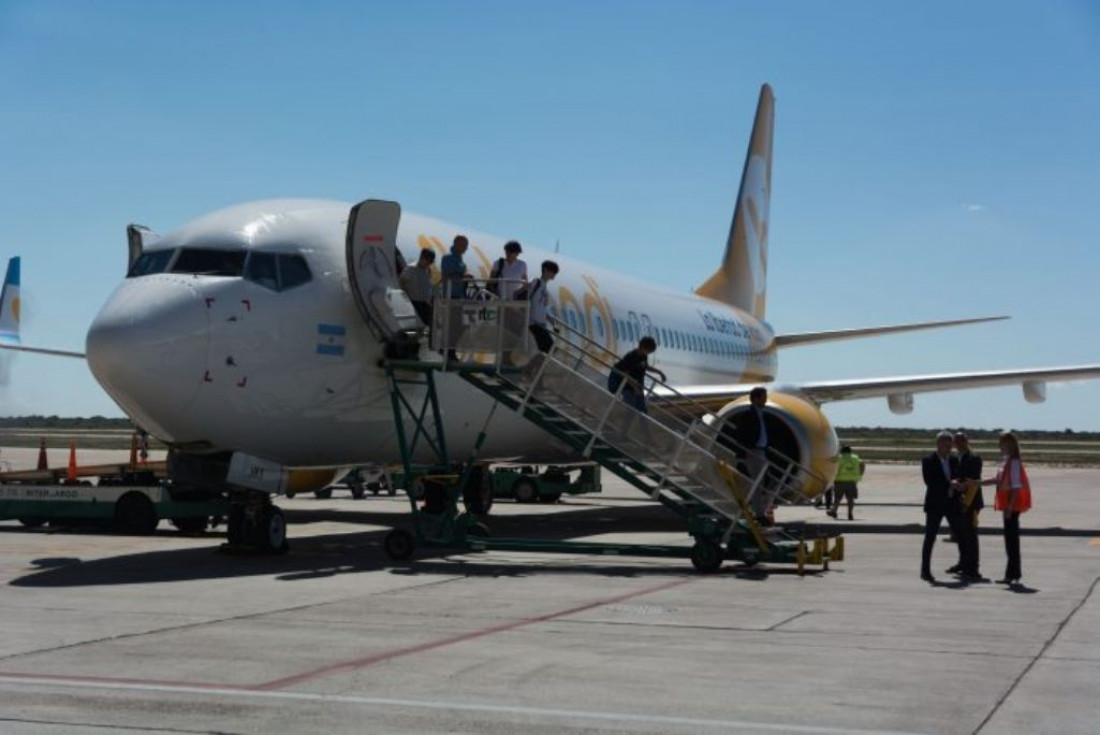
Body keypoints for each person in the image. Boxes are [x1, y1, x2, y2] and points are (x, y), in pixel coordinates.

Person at [978, 431, 1031, 585]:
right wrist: (977, 483)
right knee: (1010, 541)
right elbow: (998, 480)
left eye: (1002, 442)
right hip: (1008, 505)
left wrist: (1009, 507)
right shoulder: (1006, 460)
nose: (1000, 445)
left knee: (1011, 541)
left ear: (1009, 444)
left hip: (1011, 506)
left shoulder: (1013, 462)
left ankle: (1012, 574)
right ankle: (1013, 573)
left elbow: (1015, 486)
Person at [920, 431, 971, 583]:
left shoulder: (954, 459)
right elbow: (930, 481)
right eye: (945, 444)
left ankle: (964, 566)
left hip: (952, 503)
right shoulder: (928, 460)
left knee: (961, 535)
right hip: (935, 504)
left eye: (950, 444)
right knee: (930, 538)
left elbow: (959, 476)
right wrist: (950, 484)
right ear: (938, 444)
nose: (949, 447)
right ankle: (925, 570)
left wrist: (961, 485)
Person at [731, 387, 772, 524]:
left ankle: (759, 510)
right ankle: (758, 513)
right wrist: (744, 450)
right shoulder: (748, 414)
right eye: (764, 397)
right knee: (755, 483)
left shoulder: (762, 413)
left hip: (761, 451)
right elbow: (740, 434)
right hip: (753, 451)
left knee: (761, 483)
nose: (766, 400)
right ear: (756, 398)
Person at [948, 431, 984, 579]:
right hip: (958, 501)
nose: (957, 444)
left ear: (966, 441)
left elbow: (973, 482)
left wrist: (966, 502)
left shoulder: (974, 458)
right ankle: (963, 563)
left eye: (960, 441)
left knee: (971, 535)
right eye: (956, 441)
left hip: (971, 501)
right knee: (961, 535)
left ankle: (973, 568)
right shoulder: (956, 457)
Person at [608, 336, 667, 414]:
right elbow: (625, 373)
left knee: (642, 410)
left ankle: (643, 425)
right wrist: (634, 387)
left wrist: (659, 372)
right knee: (631, 409)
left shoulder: (643, 356)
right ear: (642, 347)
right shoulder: (630, 357)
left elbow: (645, 367)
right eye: (648, 351)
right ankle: (628, 425)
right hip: (627, 387)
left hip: (637, 386)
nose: (649, 353)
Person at [439, 236, 472, 362]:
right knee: (453, 324)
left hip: (460, 296)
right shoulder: (448, 258)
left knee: (462, 324)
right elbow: (450, 274)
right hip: (451, 296)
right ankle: (447, 349)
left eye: (466, 246)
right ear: (456, 244)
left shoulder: (460, 260)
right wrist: (464, 276)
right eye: (463, 245)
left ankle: (451, 348)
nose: (465, 248)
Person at [523, 260, 559, 354]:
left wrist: (553, 323)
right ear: (546, 270)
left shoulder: (545, 289)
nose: (554, 274)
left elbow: (543, 310)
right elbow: (525, 297)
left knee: (545, 350)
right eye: (553, 271)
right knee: (550, 348)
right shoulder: (536, 283)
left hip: (541, 325)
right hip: (533, 324)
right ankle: (533, 367)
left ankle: (534, 367)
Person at [398, 248, 436, 328]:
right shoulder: (411, 269)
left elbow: (428, 285)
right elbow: (402, 283)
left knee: (425, 325)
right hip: (414, 302)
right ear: (422, 258)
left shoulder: (427, 270)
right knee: (414, 326)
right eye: (428, 261)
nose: (429, 264)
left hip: (425, 302)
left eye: (431, 262)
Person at [829, 445, 865, 520]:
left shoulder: (839, 457)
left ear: (842, 451)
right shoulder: (855, 458)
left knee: (837, 498)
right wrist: (860, 475)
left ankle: (834, 510)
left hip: (839, 480)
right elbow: (862, 464)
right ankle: (850, 513)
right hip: (852, 481)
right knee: (850, 498)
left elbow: (831, 461)